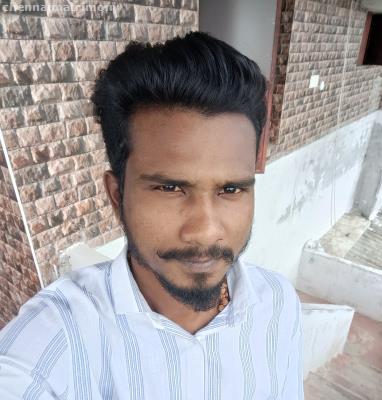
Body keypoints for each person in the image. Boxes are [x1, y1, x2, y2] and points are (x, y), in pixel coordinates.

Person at [0, 31, 303, 399]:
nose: (206, 231)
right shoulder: (56, 338)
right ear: (117, 196)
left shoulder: (279, 304)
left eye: (231, 189)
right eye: (170, 188)